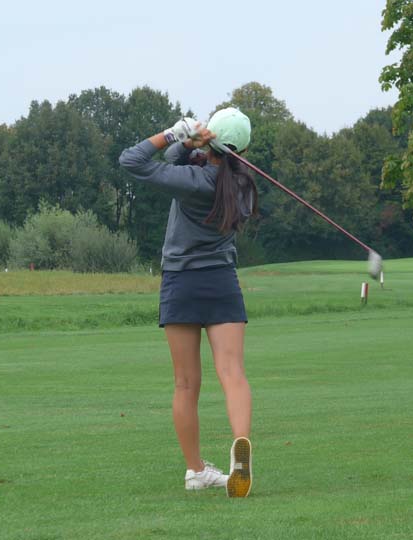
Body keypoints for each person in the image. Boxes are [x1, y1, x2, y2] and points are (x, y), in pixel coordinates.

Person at [119, 108, 257, 497]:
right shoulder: (244, 187)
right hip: (221, 281)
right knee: (232, 373)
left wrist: (174, 134)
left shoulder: (192, 181)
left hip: (180, 281)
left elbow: (133, 160)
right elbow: (183, 162)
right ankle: (240, 445)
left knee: (185, 385)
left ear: (211, 140)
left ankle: (196, 469)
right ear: (242, 149)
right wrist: (192, 145)